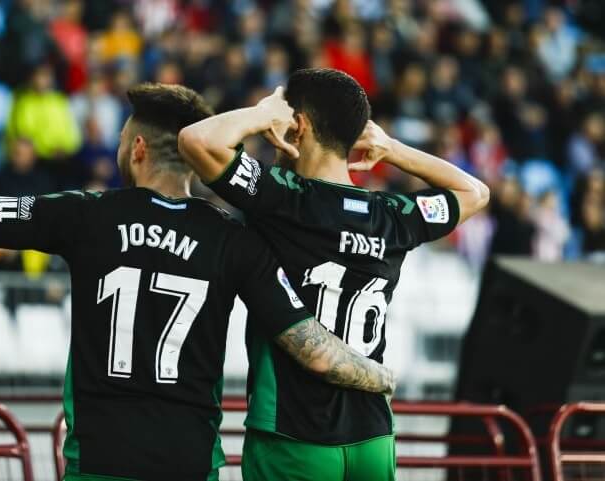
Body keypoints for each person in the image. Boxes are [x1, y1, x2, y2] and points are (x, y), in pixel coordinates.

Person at [0, 81, 395, 481]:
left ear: (137, 149)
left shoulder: (84, 214)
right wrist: (379, 374)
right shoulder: (235, 240)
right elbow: (311, 346)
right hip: (190, 462)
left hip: (100, 458)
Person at [178, 68, 490, 481]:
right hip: (373, 436)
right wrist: (392, 148)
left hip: (295, 433)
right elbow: (475, 192)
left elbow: (196, 140)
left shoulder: (283, 199)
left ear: (299, 124)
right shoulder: (391, 215)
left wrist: (263, 112)